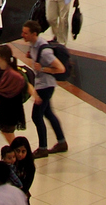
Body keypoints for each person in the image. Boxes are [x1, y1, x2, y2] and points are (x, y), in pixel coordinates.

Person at [18, 20, 68, 156]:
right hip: (42, 84)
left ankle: (43, 148)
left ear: (34, 34)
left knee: (36, 115)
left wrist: (44, 68)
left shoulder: (44, 51)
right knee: (48, 113)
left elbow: (61, 68)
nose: (23, 35)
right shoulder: (34, 45)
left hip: (46, 86)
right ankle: (62, 142)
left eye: (25, 33)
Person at [0, 44, 30, 146]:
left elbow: (25, 85)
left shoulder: (13, 74)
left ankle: (15, 150)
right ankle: (15, 149)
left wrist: (36, 96)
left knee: (8, 131)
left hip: (11, 106)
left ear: (3, 57)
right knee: (5, 130)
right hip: (3, 104)